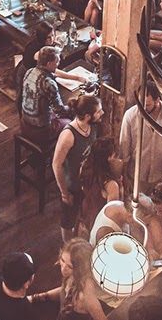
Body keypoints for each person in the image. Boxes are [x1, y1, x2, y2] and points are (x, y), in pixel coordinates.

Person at [52, 93, 102, 242]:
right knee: (68, 220)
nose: (102, 113)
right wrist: (64, 193)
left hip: (86, 182)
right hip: (71, 186)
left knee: (85, 214)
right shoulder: (68, 135)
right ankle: (67, 247)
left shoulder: (93, 126)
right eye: (99, 111)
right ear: (87, 116)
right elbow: (56, 164)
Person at [24, 240, 106, 320]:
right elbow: (65, 291)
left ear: (81, 269)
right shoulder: (72, 276)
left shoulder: (85, 296)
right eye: (63, 260)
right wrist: (36, 297)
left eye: (70, 266)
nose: (63, 268)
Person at [118, 81, 162, 187]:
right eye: (140, 103)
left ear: (157, 101)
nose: (142, 108)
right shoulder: (130, 116)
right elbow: (124, 147)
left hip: (160, 175)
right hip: (137, 174)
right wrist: (124, 175)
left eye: (147, 105)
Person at [19, 46, 72, 145]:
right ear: (49, 64)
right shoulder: (48, 83)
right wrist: (73, 106)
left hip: (24, 123)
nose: (58, 64)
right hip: (41, 131)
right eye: (57, 62)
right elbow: (60, 111)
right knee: (71, 123)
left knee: (52, 113)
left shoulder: (29, 72)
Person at [79, 137, 123, 234]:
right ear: (108, 158)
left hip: (86, 217)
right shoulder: (111, 185)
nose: (119, 159)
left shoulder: (85, 169)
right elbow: (112, 215)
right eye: (115, 156)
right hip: (100, 226)